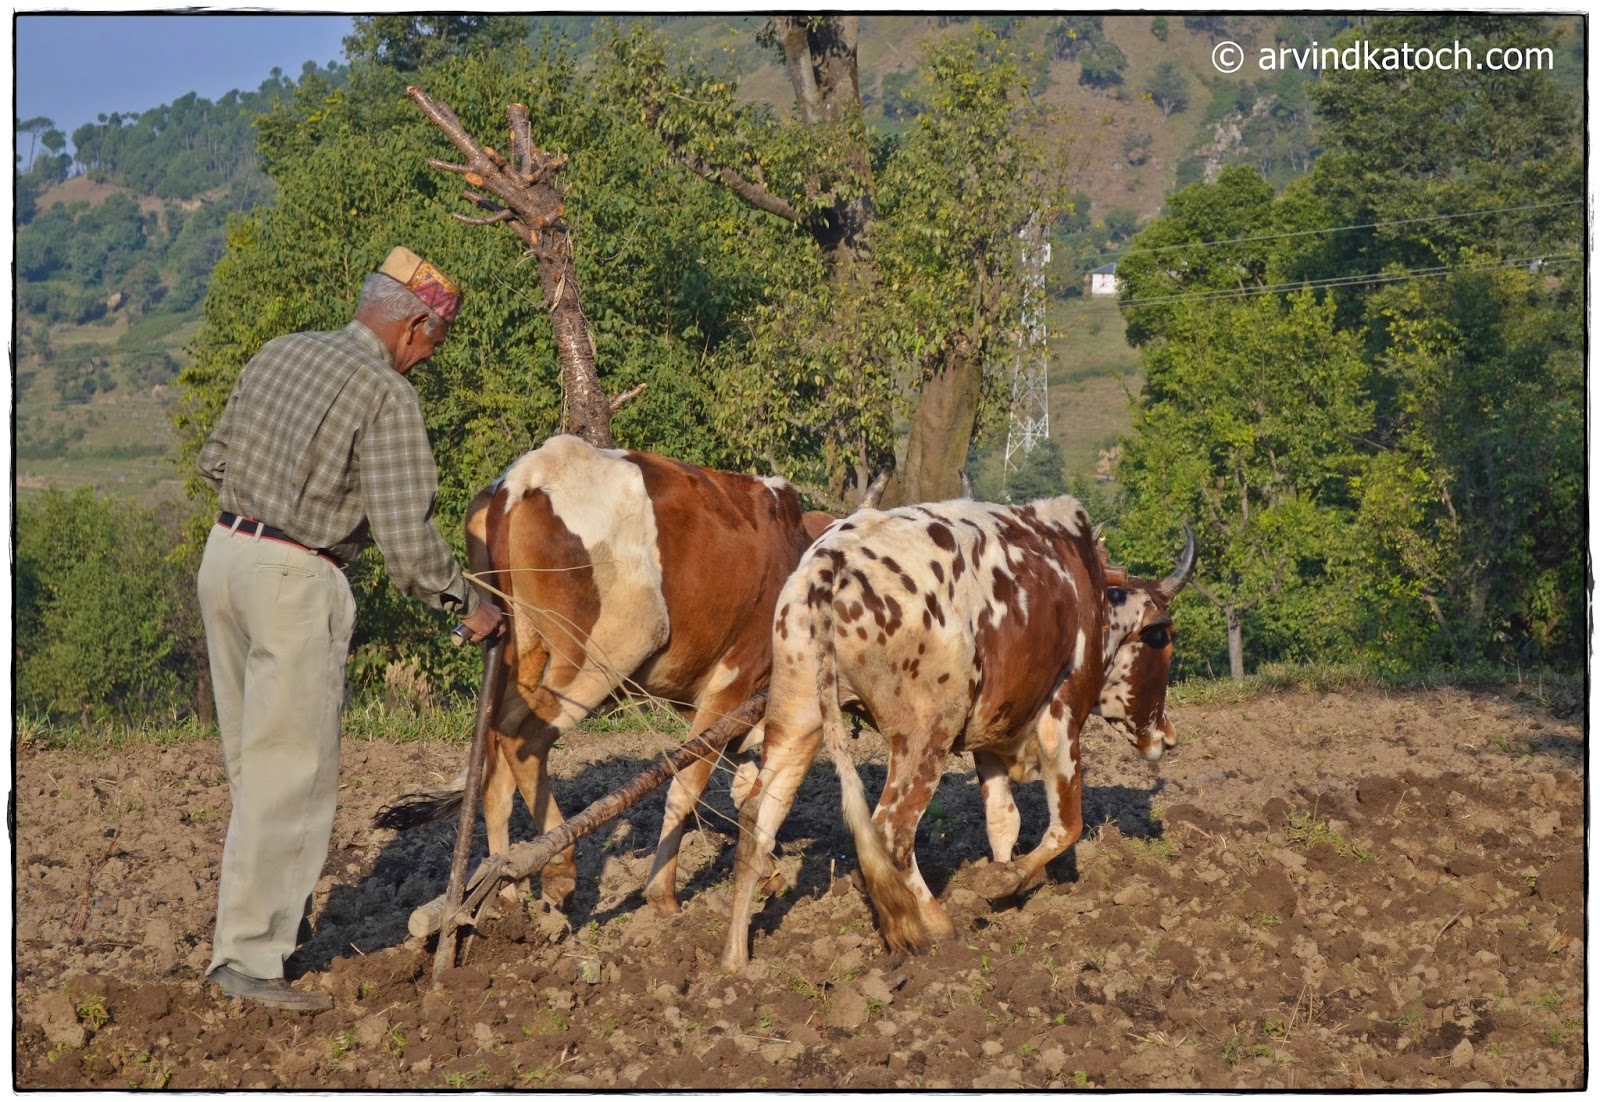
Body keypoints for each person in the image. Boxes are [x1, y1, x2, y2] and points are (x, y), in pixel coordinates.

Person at [195, 247, 503, 1012]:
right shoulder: (385, 394)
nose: (428, 361)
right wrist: (467, 606)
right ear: (416, 324)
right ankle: (251, 961)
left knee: (250, 761)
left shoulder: (279, 353)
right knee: (290, 774)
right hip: (295, 578)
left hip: (224, 557)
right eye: (433, 344)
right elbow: (405, 534)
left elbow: (214, 459)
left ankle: (261, 921)